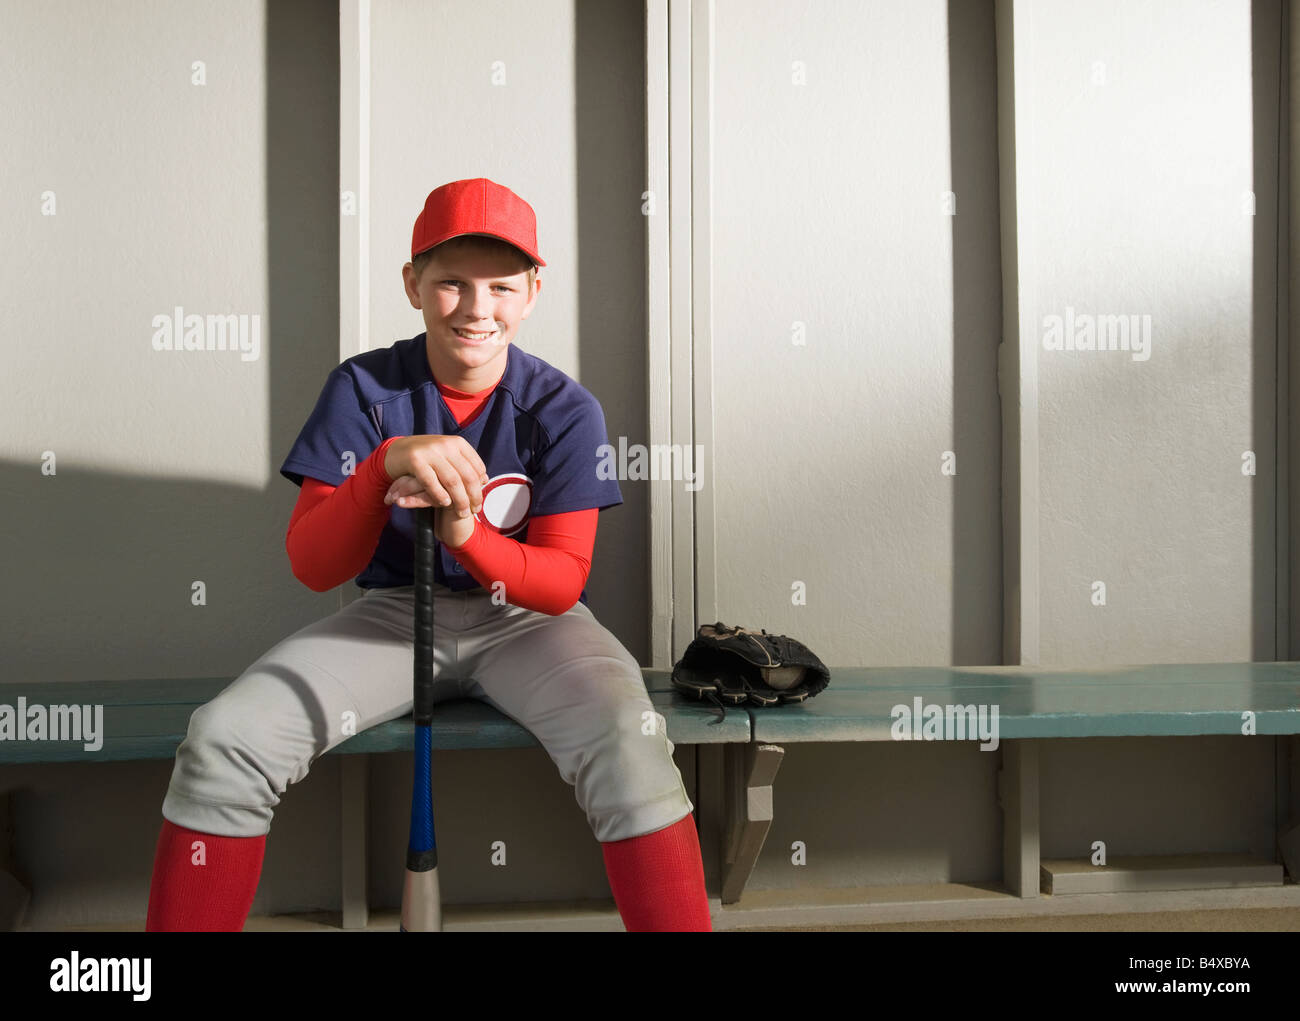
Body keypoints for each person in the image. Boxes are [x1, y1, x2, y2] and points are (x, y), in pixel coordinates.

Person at [145, 178, 712, 932]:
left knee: (631, 741)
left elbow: (558, 582)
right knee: (223, 740)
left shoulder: (567, 409)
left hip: (532, 625)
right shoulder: (364, 387)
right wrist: (381, 466)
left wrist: (467, 536)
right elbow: (314, 564)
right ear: (413, 283)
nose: (478, 308)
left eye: (502, 286)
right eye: (451, 282)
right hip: (391, 618)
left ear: (533, 291)